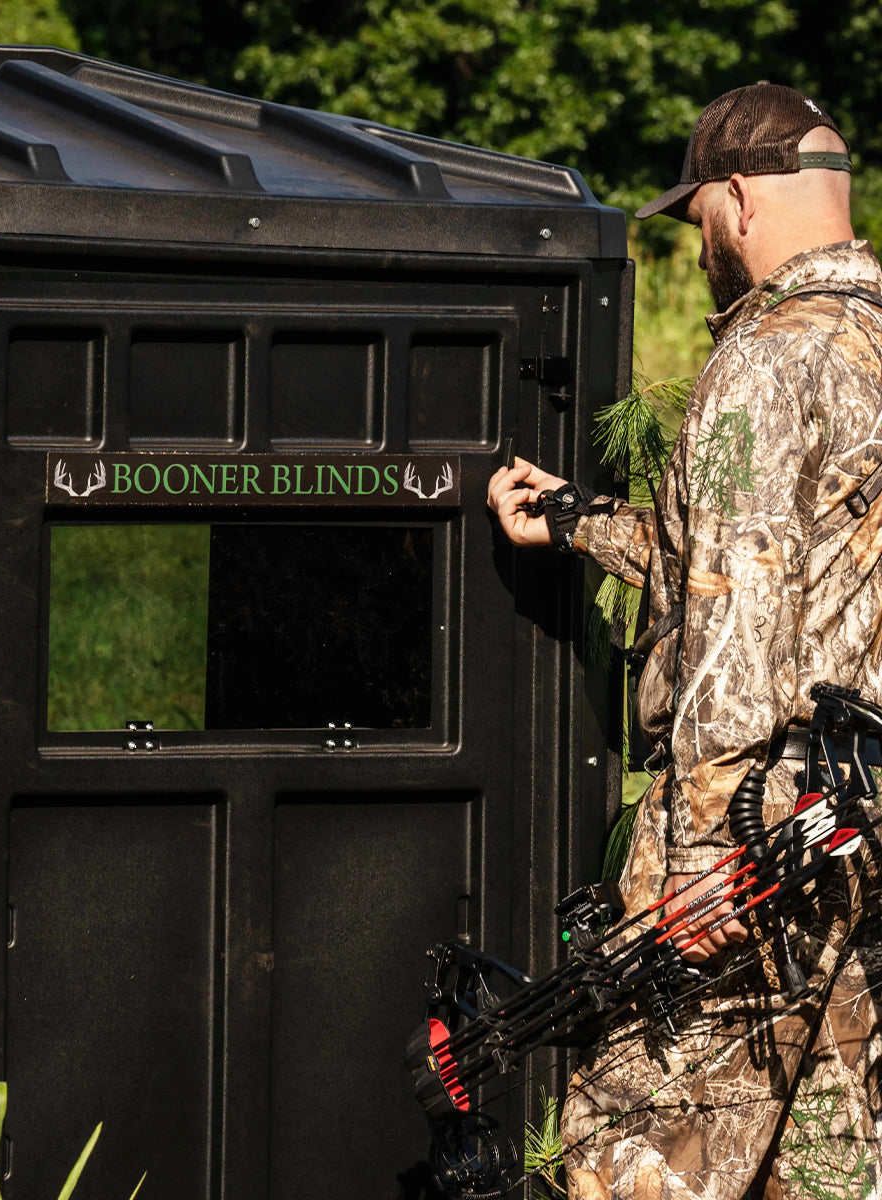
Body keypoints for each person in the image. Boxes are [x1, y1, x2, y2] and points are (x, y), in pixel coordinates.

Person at [488, 83, 882, 1199]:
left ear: (740, 199)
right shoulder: (870, 345)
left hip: (759, 841)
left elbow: (738, 622)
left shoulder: (767, 360)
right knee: (826, 1164)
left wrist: (705, 866)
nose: (700, 244)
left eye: (699, 214)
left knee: (633, 1162)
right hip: (861, 826)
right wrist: (579, 522)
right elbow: (786, 555)